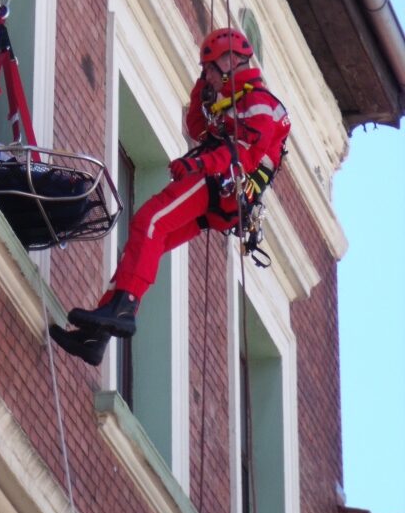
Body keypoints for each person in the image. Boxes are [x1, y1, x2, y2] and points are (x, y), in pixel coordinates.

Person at [50, 27, 290, 366]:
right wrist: (202, 86)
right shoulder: (231, 98)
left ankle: (122, 308)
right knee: (152, 241)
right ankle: (98, 335)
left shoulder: (259, 103)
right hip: (221, 197)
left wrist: (199, 163)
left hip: (217, 180)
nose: (206, 73)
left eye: (209, 66)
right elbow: (197, 128)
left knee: (149, 220)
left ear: (231, 60)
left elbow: (244, 153)